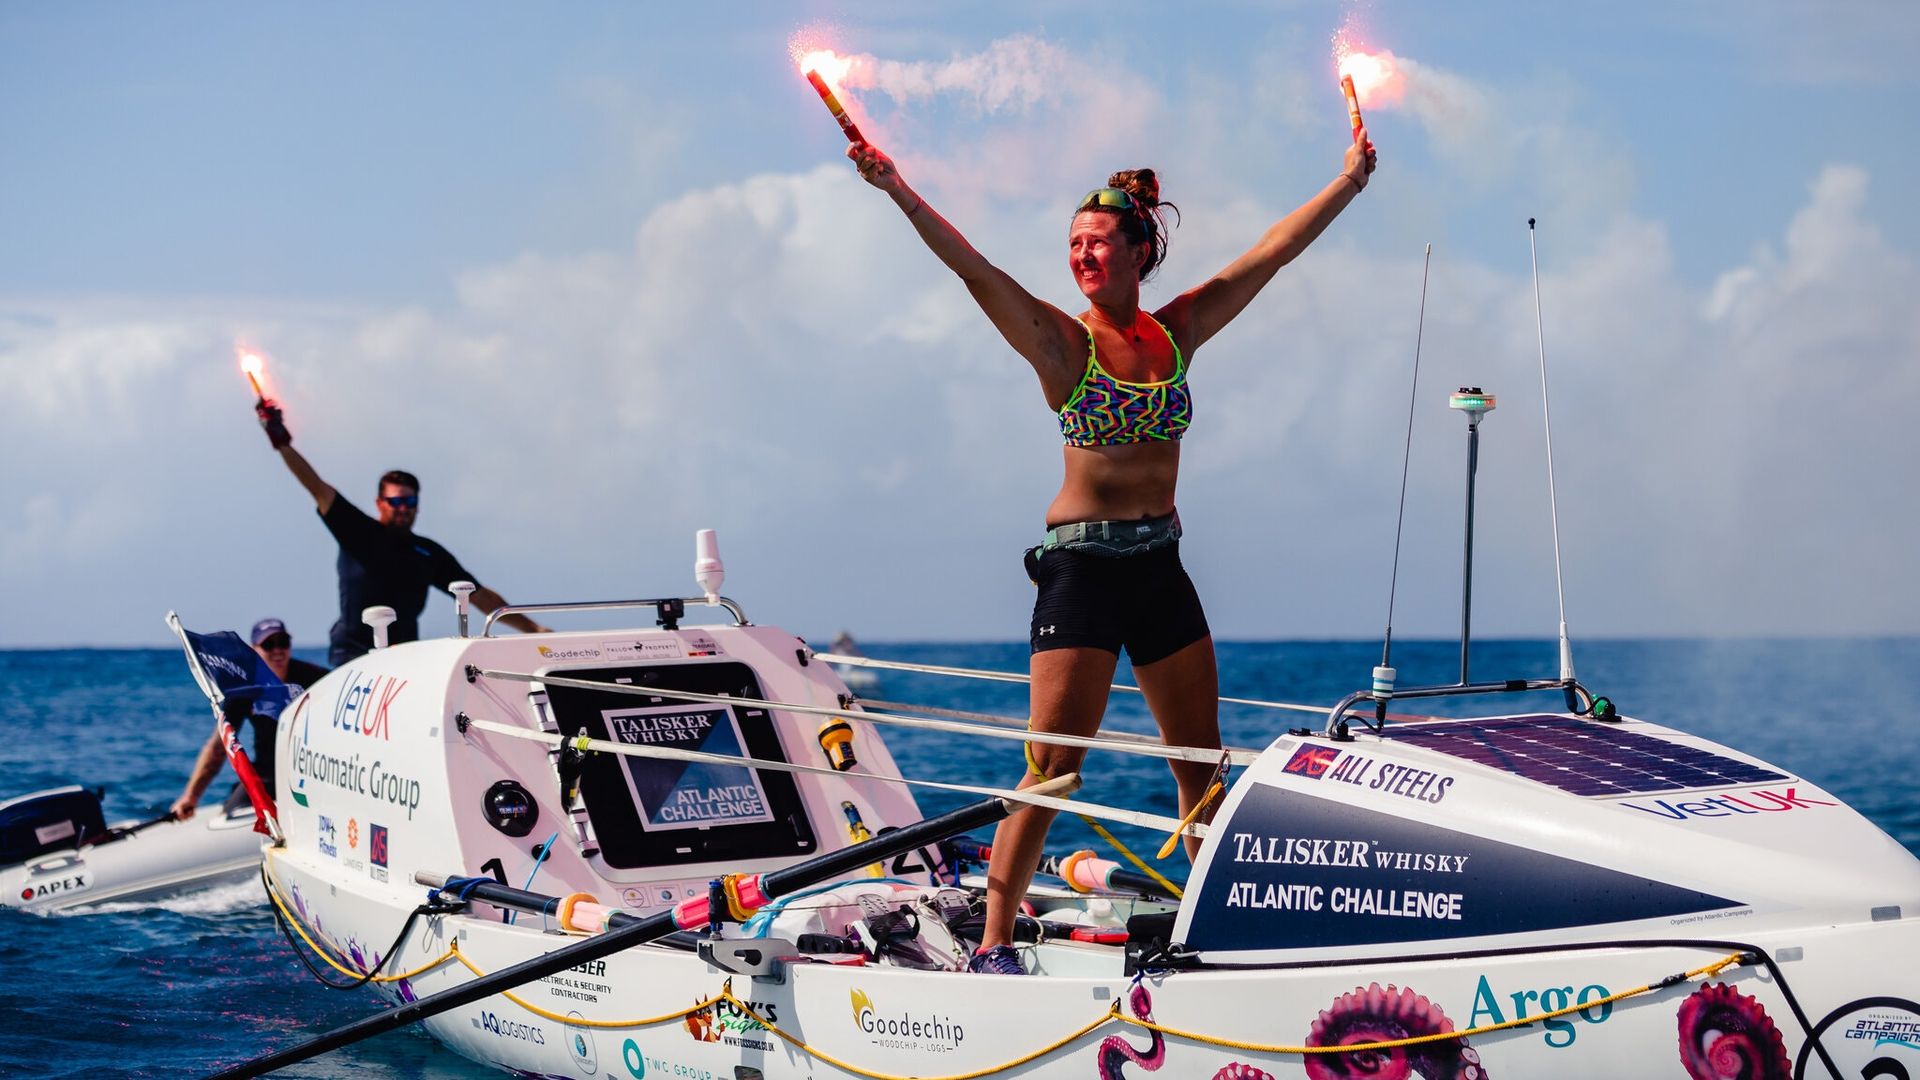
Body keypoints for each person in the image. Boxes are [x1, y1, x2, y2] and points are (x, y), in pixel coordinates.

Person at [849, 128, 1376, 974]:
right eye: (1072, 245)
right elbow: (975, 268)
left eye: (1096, 241)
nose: (1081, 254)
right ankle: (993, 944)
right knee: (1053, 767)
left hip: (1159, 565)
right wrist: (896, 188)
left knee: (1198, 759)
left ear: (1139, 251)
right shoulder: (1065, 344)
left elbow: (1270, 255)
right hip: (1083, 569)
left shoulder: (1177, 333)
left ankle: (1216, 938)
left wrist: (1349, 181)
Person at [254, 399, 547, 664]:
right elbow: (316, 486)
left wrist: (533, 628)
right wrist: (281, 441)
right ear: (379, 503)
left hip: (405, 654)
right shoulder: (357, 530)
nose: (402, 507)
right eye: (395, 501)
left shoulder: (428, 553)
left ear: (418, 505)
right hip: (353, 653)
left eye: (409, 501)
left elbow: (481, 596)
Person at [172, 619, 330, 819]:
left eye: (283, 643)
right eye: (268, 644)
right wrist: (191, 797)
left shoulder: (317, 679)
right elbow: (219, 747)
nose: (277, 650)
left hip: (309, 774)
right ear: (254, 649)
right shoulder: (245, 689)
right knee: (230, 816)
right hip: (266, 776)